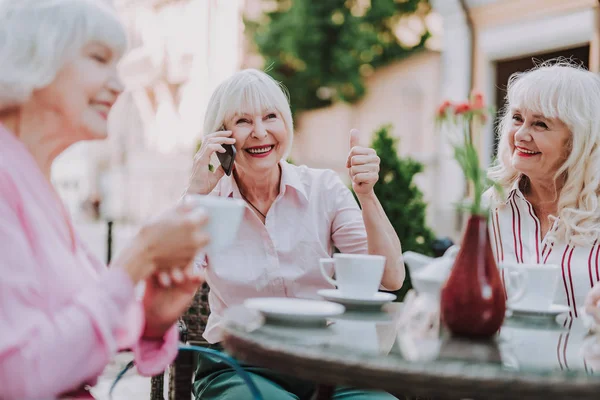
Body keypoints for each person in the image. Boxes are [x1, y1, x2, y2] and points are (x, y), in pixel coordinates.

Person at [0, 1, 209, 398]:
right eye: (99, 59)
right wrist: (137, 259)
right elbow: (17, 376)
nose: (119, 84)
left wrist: (149, 317)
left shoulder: (35, 178)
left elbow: (69, 329)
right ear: (34, 54)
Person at [185, 68, 403, 399]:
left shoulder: (324, 189)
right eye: (243, 121)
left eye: (270, 117)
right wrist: (194, 196)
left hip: (329, 360)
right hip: (239, 364)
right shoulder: (207, 203)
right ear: (220, 136)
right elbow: (172, 284)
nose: (260, 132)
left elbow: (390, 277)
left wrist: (367, 194)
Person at [488, 61, 600, 328]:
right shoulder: (489, 209)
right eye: (517, 118)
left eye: (540, 124)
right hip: (500, 369)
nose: (521, 135)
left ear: (577, 140)